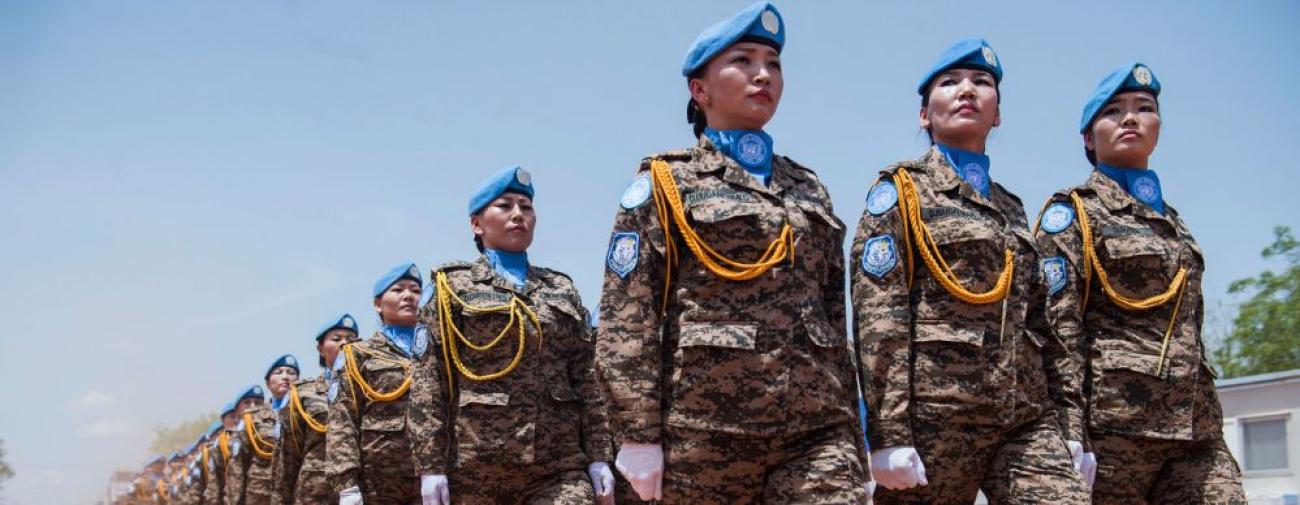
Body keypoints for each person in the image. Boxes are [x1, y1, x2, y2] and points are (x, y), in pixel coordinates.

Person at [595, 3, 868, 503]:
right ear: (699, 90)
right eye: (742, 60)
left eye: (774, 63)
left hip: (815, 431)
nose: (763, 74)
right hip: (703, 433)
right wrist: (636, 433)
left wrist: (856, 425)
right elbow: (626, 316)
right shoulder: (664, 183)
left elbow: (833, 313)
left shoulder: (809, 188)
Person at [852, 37, 1090, 504]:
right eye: (950, 83)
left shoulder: (1012, 209)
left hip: (1021, 415)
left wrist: (1069, 424)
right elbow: (879, 317)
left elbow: (1046, 325)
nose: (967, 90)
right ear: (925, 114)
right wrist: (889, 431)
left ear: (997, 114)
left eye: (982, 83)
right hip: (936, 415)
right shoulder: (901, 193)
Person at [1033, 62, 1247, 504]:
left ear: (1159, 127)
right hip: (1114, 430)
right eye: (1113, 112)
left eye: (1143, 108)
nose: (1130, 118)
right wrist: (1068, 432)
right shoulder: (1072, 216)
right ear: (1089, 139)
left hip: (1195, 430)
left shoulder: (1174, 222)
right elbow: (1057, 332)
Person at [408, 166, 615, 505]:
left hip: (558, 466)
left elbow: (586, 379)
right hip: (477, 467)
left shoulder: (560, 288)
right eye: (504, 206)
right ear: (477, 224)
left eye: (526, 206)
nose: (518, 214)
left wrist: (598, 455)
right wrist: (430, 467)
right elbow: (430, 383)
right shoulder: (451, 288)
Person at [327, 264, 424, 504]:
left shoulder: (440, 349)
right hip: (378, 482)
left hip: (433, 476)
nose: (408, 296)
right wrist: (347, 485)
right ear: (378, 304)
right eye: (398, 290)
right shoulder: (357, 353)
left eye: (415, 290)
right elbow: (342, 420)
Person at [273, 314, 360, 504]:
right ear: (320, 348)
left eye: (351, 339)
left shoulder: (371, 388)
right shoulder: (303, 393)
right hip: (315, 493)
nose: (345, 344)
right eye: (336, 339)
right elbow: (288, 458)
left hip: (365, 491)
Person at [225, 383, 276, 505]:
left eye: (258, 403)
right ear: (237, 411)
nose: (253, 407)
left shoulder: (273, 425)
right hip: (254, 495)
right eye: (247, 403)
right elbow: (237, 473)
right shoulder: (241, 431)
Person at [204, 398, 241, 505]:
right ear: (222, 420)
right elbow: (215, 482)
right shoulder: (217, 446)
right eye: (232, 417)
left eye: (238, 416)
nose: (236, 420)